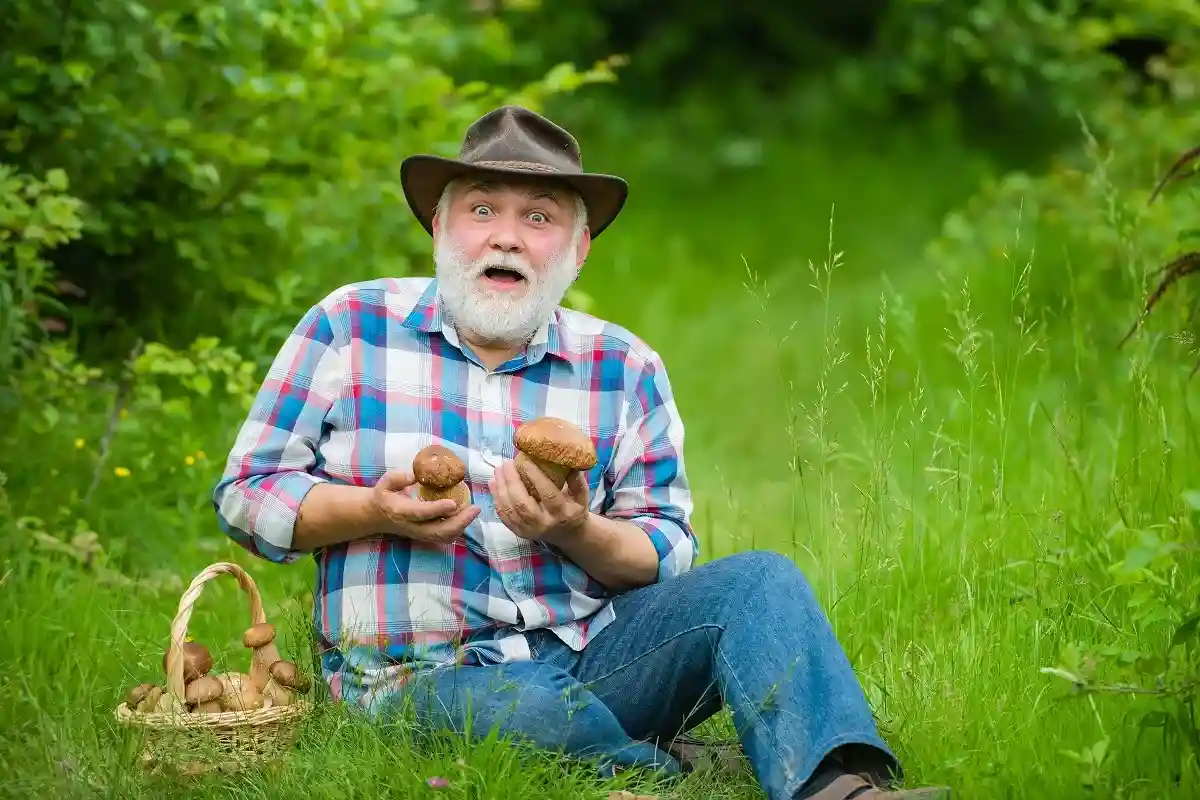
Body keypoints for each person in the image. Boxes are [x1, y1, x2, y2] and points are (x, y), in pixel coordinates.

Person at [212, 105, 950, 800]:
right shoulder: (350, 326)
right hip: (416, 679)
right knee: (518, 708)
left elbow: (664, 551)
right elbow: (248, 493)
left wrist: (575, 529)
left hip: (596, 656)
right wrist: (373, 509)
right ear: (439, 228)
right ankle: (668, 768)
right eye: (480, 210)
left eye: (538, 218)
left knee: (760, 583)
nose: (506, 236)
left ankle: (838, 785)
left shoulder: (622, 366)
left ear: (578, 247)